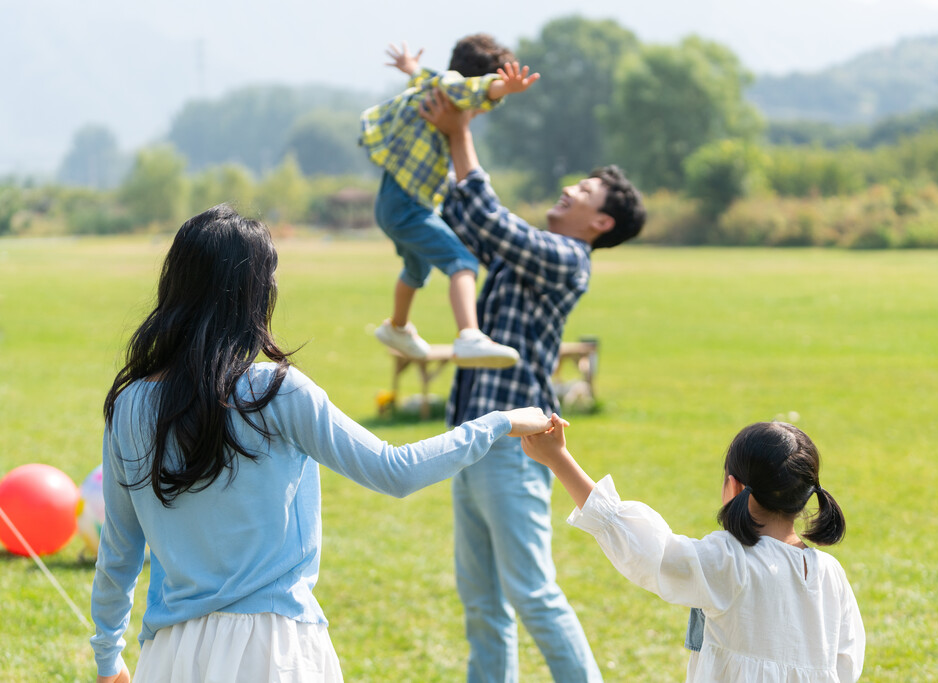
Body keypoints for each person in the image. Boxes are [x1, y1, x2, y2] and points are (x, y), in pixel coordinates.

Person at [89, 204, 559, 683]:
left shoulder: (129, 403)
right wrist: (498, 423)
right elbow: (394, 471)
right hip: (276, 650)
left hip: (171, 655)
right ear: (255, 293)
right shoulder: (276, 389)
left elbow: (119, 552)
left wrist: (108, 658)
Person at [419, 90, 646, 682]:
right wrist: (449, 131)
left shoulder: (568, 259)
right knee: (483, 604)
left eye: (586, 191)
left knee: (533, 595)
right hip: (471, 440)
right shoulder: (533, 257)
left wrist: (460, 131)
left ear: (600, 223)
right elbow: (473, 221)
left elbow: (492, 224)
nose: (569, 188)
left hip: (512, 449)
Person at [521, 418, 866, 682]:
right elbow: (846, 663)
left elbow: (650, 550)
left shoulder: (731, 561)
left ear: (734, 487)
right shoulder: (830, 572)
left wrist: (559, 459)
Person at [359, 36, 539, 367]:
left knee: (416, 268)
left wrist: (409, 64)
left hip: (395, 203)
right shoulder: (454, 89)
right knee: (463, 262)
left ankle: (397, 328)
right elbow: (479, 90)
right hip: (407, 205)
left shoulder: (434, 84)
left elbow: (418, 74)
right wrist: (504, 87)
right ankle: (469, 335)